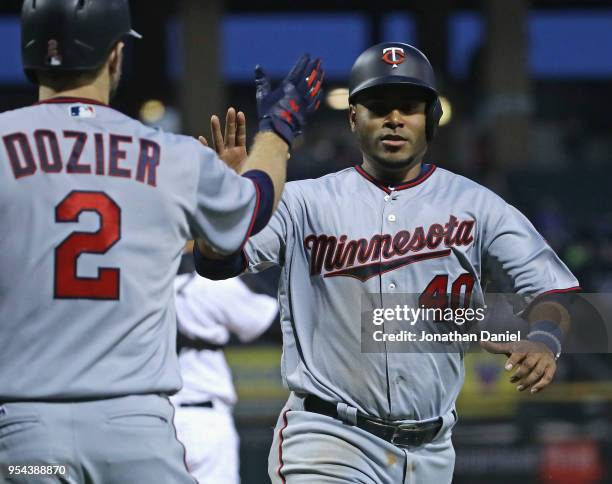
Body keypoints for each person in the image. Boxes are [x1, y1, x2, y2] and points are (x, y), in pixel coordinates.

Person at [195, 42, 580, 484]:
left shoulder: (478, 205)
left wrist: (545, 339)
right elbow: (217, 262)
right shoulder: (303, 202)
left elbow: (553, 290)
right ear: (353, 118)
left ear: (430, 118)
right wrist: (231, 205)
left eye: (409, 107)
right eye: (378, 107)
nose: (394, 119)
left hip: (432, 452)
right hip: (328, 439)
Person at [0, 1, 322, 482]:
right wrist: (278, 130)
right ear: (115, 55)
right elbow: (254, 205)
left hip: (27, 435)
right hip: (135, 435)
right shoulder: (166, 156)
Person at [171, 255, 278, 484]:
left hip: (148, 421)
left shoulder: (136, 289)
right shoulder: (207, 286)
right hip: (203, 421)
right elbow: (278, 323)